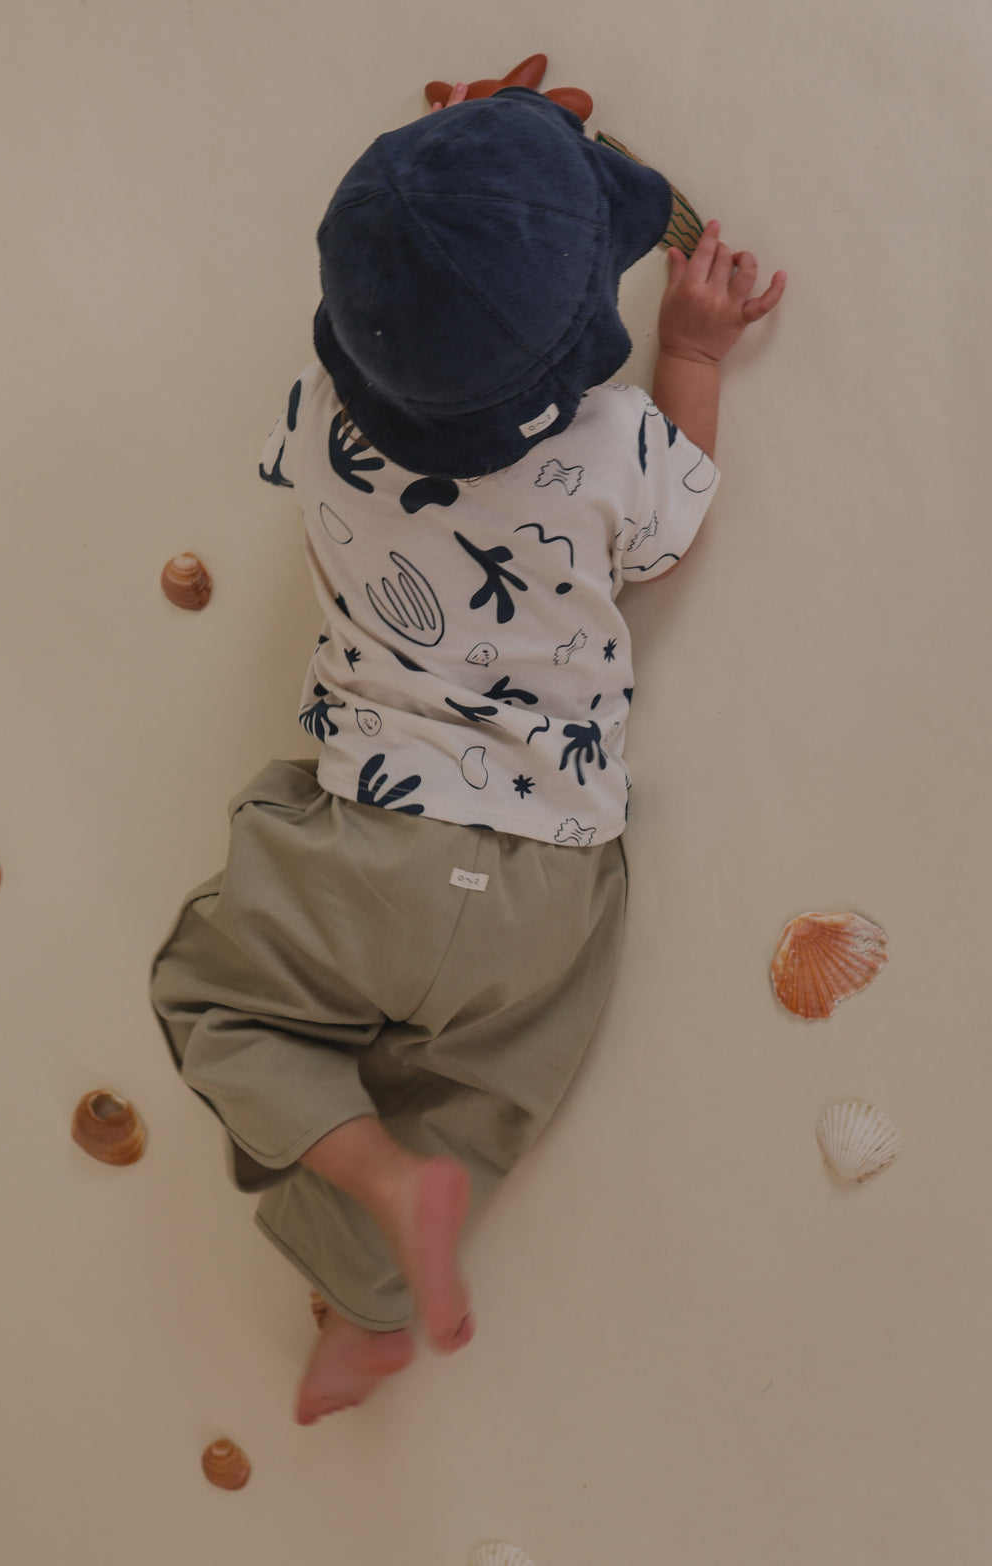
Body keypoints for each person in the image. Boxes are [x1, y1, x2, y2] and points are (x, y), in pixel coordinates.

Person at [150, 82, 785, 1425]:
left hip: (369, 849)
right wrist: (695, 351)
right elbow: (678, 523)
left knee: (222, 1003)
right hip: (550, 884)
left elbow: (408, 312)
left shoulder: (319, 415)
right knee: (474, 1096)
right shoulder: (614, 448)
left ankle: (375, 1208)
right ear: (576, 358)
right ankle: (370, 1282)